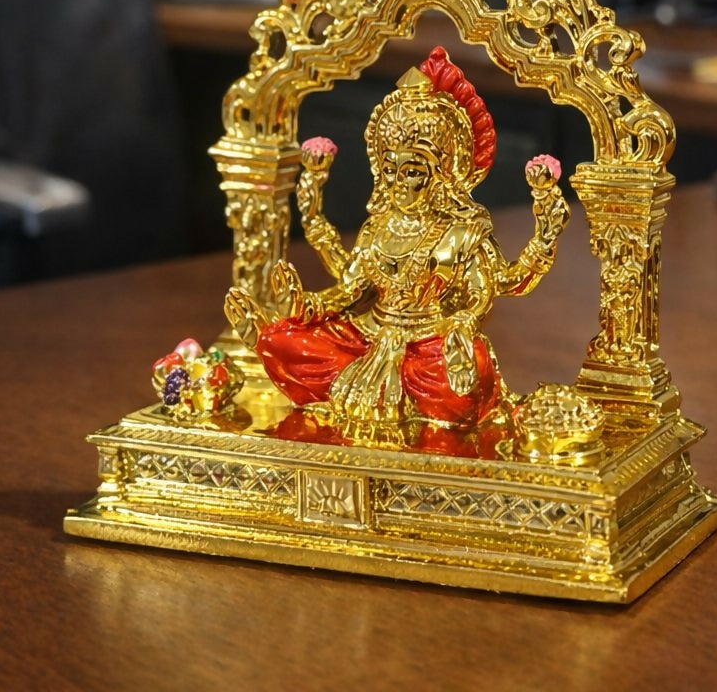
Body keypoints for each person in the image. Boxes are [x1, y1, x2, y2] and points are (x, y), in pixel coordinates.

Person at [224, 47, 571, 429]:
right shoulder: (378, 227)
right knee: (285, 341)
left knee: (469, 374)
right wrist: (307, 306)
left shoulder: (462, 232)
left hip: (429, 346)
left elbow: (499, 285)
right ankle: (267, 342)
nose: (398, 183)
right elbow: (352, 290)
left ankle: (428, 392)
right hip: (368, 339)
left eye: (413, 171)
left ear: (441, 175)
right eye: (390, 169)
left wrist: (545, 229)